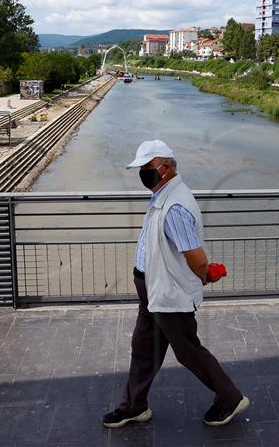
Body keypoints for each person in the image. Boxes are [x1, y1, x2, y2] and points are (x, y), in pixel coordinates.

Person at [103, 140, 250, 428]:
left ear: (166, 167)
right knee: (144, 348)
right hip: (152, 289)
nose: (143, 174)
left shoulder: (175, 205)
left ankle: (230, 398)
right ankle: (134, 406)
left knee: (187, 351)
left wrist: (205, 274)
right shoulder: (163, 194)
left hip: (167, 291)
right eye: (141, 169)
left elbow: (194, 254)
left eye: (147, 168)